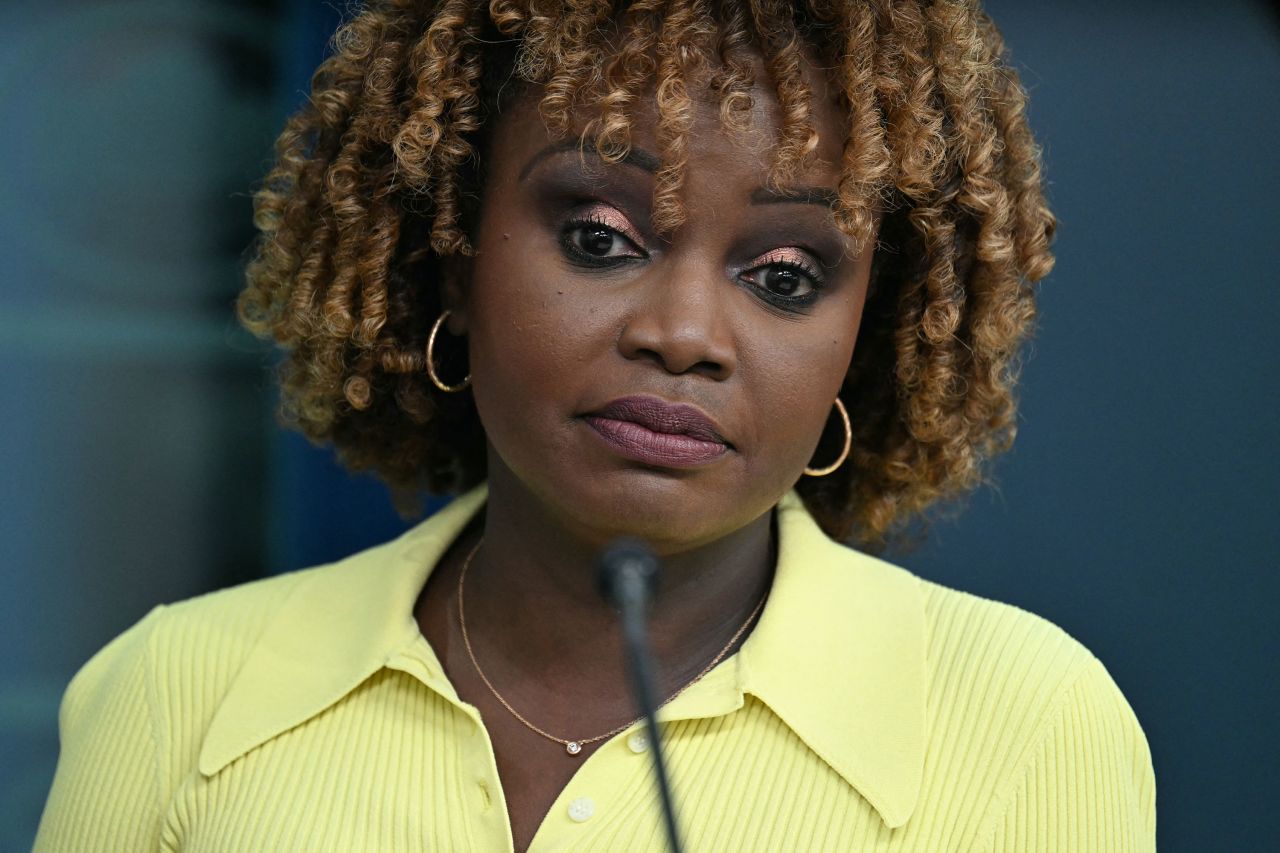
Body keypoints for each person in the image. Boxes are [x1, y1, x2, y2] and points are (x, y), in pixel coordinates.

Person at [35, 1, 1155, 850]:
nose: (681, 334)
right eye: (600, 238)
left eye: (781, 272)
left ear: (867, 330)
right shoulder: (173, 691)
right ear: (452, 250)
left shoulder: (1023, 723)